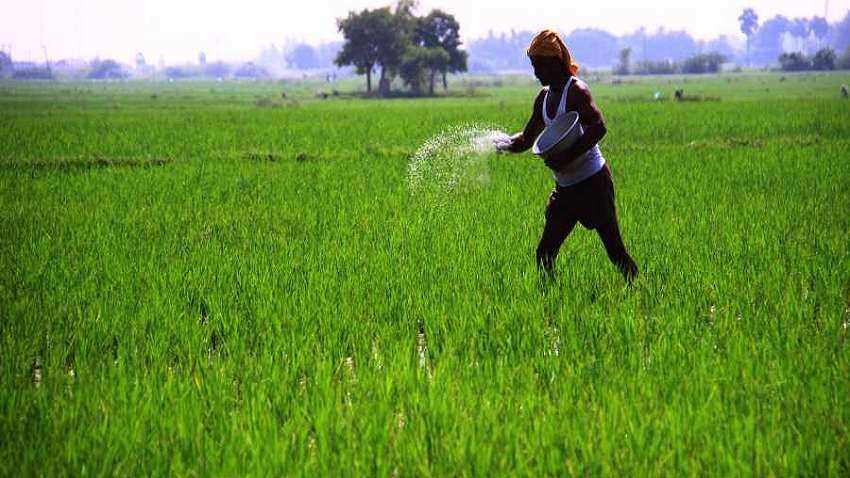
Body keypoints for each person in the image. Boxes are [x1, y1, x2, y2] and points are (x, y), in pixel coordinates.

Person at [496, 29, 638, 282]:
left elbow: (598, 126)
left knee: (616, 253)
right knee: (545, 253)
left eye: (538, 65)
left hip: (593, 183)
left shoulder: (577, 91)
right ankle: (551, 303)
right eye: (533, 66)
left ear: (553, 62)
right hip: (565, 189)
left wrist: (566, 158)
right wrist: (504, 144)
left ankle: (639, 291)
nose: (536, 72)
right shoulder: (543, 98)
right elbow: (527, 140)